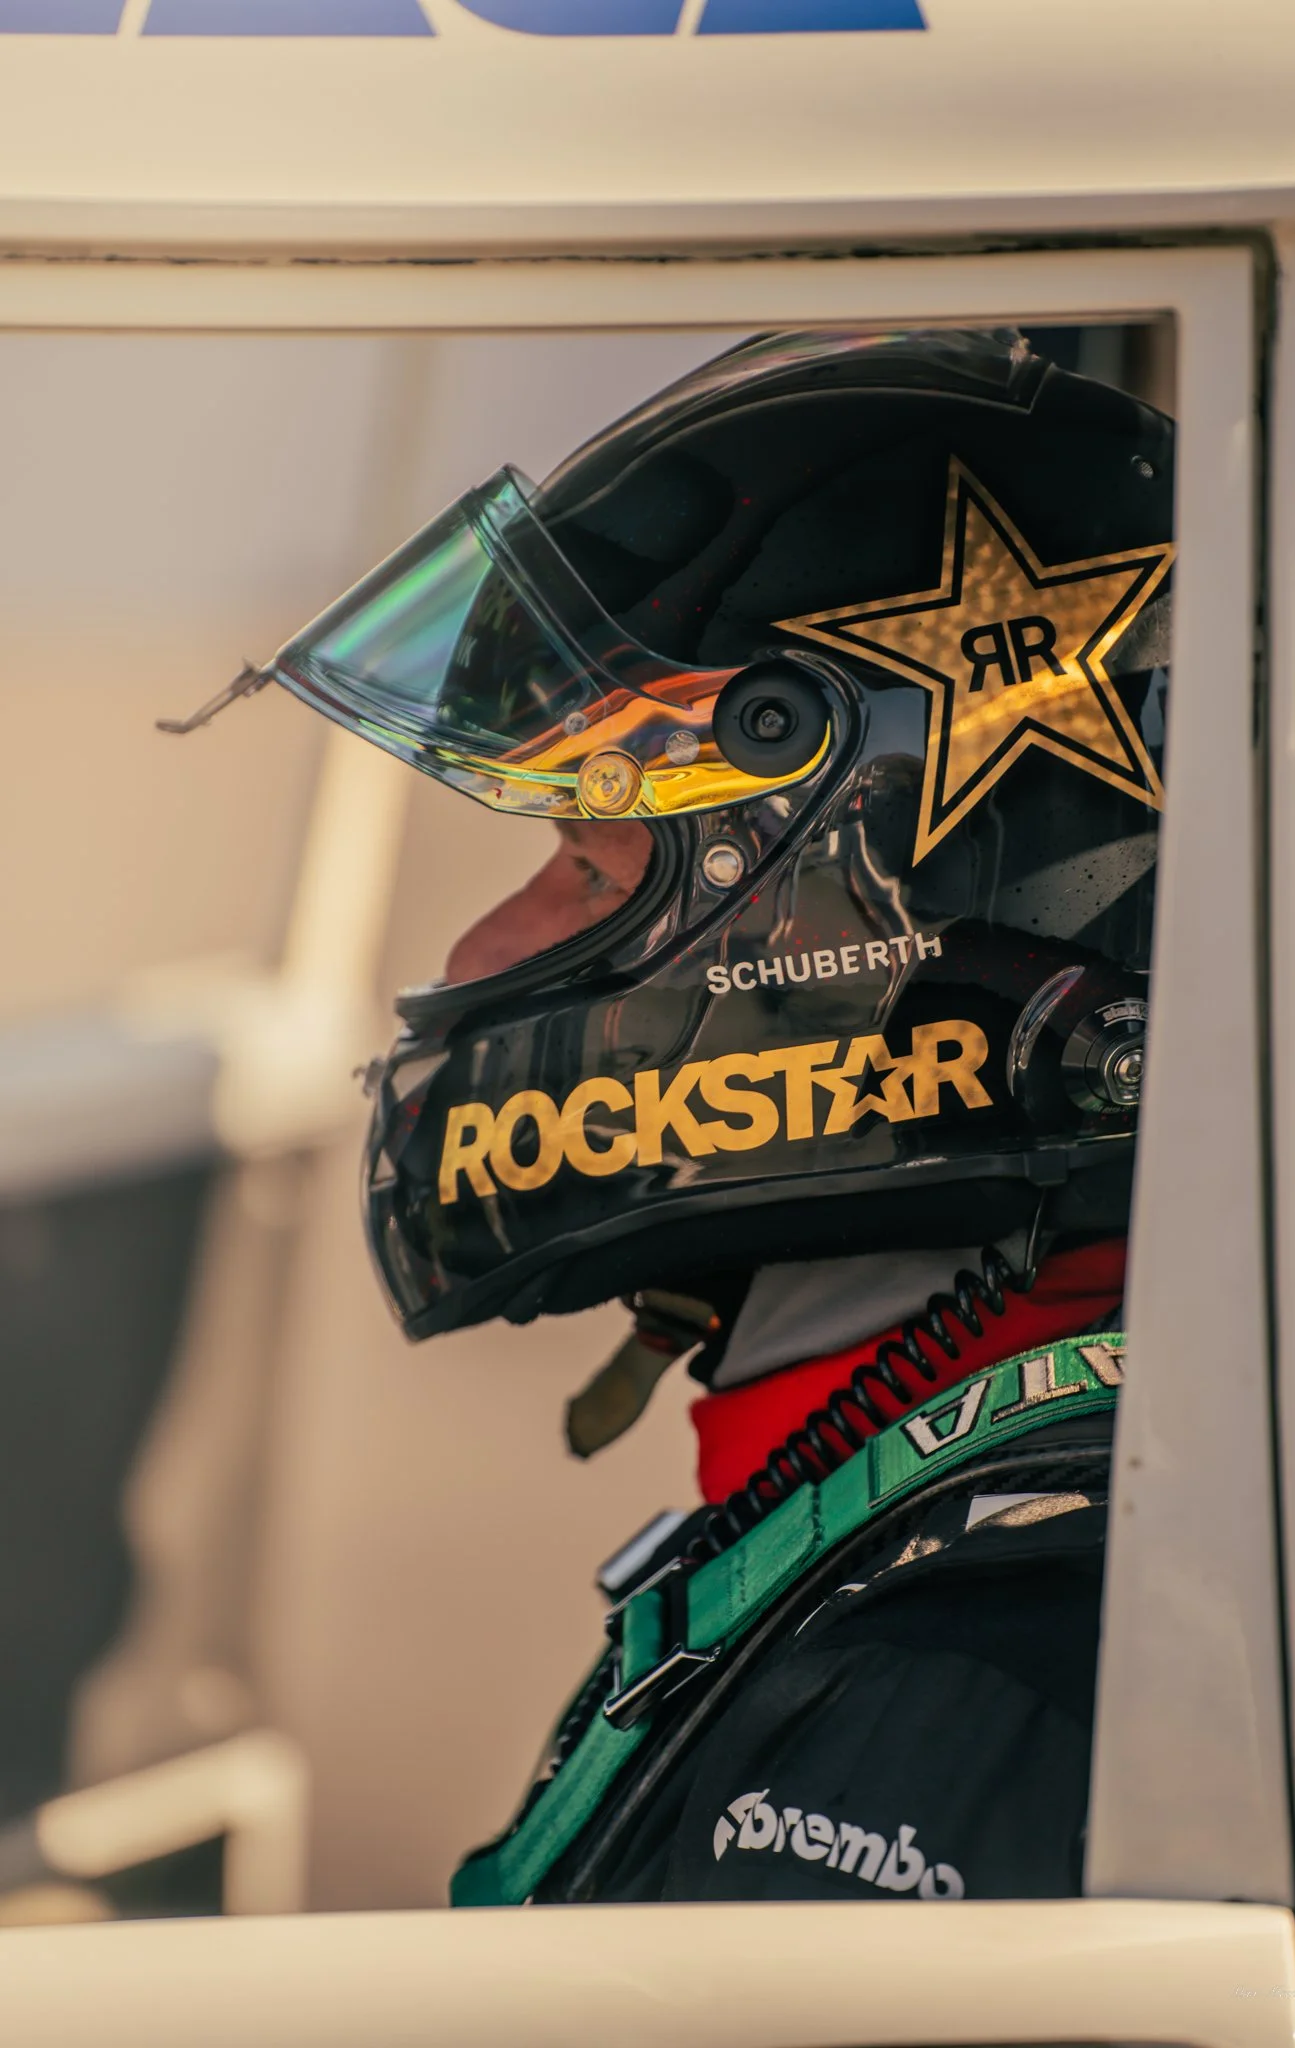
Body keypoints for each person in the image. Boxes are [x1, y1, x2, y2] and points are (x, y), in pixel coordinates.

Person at [174, 327, 1172, 1904]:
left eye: (583, 865)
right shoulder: (968, 1513)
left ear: (846, 916)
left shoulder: (964, 1663)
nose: (475, 954)